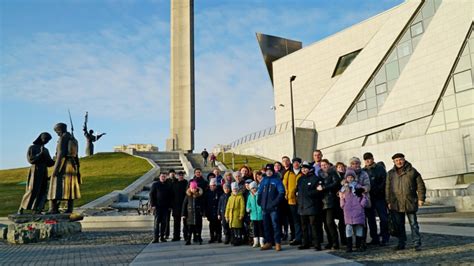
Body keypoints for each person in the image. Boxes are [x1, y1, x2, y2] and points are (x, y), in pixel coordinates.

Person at [386, 153, 426, 251]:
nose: (399, 162)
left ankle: (417, 243)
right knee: (399, 225)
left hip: (410, 201)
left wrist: (421, 198)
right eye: (396, 160)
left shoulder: (412, 171)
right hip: (396, 203)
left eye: (400, 160)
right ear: (394, 162)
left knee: (413, 224)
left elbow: (420, 186)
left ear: (404, 160)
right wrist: (388, 201)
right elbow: (387, 188)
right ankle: (401, 243)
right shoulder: (390, 173)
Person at [18, 132, 55, 214]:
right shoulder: (32, 148)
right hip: (35, 170)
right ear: (41, 138)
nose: (46, 142)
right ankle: (21, 208)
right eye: (45, 139)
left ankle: (37, 209)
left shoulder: (46, 150)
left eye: (48, 141)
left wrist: (56, 158)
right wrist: (40, 154)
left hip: (44, 171)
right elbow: (31, 160)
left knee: (43, 190)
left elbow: (49, 163)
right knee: (32, 190)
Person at [48, 123, 81, 214]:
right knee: (70, 186)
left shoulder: (63, 138)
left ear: (59, 130)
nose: (57, 134)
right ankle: (69, 208)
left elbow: (60, 154)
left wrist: (55, 171)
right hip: (72, 165)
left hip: (64, 164)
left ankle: (53, 209)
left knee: (54, 184)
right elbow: (76, 155)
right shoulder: (73, 139)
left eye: (57, 131)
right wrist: (78, 168)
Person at [363, 152, 389, 246]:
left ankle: (385, 237)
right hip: (369, 198)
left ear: (373, 159)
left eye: (369, 159)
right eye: (366, 159)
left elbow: (385, 181)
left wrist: (378, 189)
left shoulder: (379, 168)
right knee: (371, 220)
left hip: (379, 197)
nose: (368, 161)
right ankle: (375, 238)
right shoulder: (363, 171)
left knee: (384, 218)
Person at [296, 161, 323, 251]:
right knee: (304, 226)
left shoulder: (315, 178)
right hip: (302, 206)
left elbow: (319, 191)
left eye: (305, 168)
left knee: (314, 226)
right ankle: (306, 243)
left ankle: (317, 244)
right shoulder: (300, 179)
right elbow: (298, 190)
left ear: (310, 169)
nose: (303, 170)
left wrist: (309, 193)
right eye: (302, 168)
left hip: (312, 206)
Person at [340, 168, 369, 252]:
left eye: (351, 177)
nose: (350, 179)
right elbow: (341, 197)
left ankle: (358, 244)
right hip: (348, 210)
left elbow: (364, 196)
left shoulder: (358, 186)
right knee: (348, 227)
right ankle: (349, 246)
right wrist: (342, 204)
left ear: (354, 177)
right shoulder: (344, 188)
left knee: (359, 227)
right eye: (348, 177)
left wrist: (362, 204)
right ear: (346, 178)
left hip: (358, 210)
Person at [258, 164, 285, 252]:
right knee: (266, 225)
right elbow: (260, 192)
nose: (268, 172)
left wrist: (275, 203)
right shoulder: (263, 181)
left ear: (273, 171)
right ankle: (268, 242)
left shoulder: (277, 180)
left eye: (270, 171)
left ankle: (277, 243)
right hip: (264, 207)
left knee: (275, 225)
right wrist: (259, 201)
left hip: (273, 208)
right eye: (267, 171)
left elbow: (281, 193)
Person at [318, 159, 340, 250]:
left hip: (330, 200)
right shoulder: (319, 175)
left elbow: (335, 184)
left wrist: (324, 187)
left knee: (330, 222)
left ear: (328, 165)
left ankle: (335, 242)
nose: (324, 166)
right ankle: (330, 242)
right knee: (325, 224)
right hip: (321, 201)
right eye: (322, 165)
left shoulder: (333, 173)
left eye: (325, 164)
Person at [283, 157, 303, 246]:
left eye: (297, 163)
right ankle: (297, 237)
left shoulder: (302, 173)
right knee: (295, 220)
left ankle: (305, 237)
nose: (296, 164)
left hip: (302, 200)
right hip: (291, 200)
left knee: (302, 219)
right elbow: (284, 184)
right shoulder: (288, 173)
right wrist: (287, 194)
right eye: (294, 162)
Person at [149, 173, 172, 243]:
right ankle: (155, 238)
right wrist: (153, 205)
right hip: (157, 207)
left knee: (164, 222)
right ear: (159, 177)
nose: (163, 178)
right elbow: (151, 195)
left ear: (166, 177)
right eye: (162, 176)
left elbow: (170, 196)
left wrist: (170, 206)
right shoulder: (155, 184)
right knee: (156, 222)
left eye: (164, 177)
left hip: (165, 207)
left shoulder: (168, 185)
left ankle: (162, 237)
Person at [182, 181, 205, 245]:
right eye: (192, 188)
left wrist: (203, 213)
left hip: (198, 214)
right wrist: (183, 214)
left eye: (194, 188)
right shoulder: (188, 196)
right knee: (189, 228)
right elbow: (184, 204)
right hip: (190, 215)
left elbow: (202, 204)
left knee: (198, 227)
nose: (193, 190)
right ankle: (188, 239)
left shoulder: (199, 195)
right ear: (190, 188)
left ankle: (199, 238)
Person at [226, 182, 245, 246]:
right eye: (234, 189)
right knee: (233, 229)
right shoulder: (230, 197)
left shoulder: (240, 197)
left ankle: (238, 240)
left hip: (237, 215)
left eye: (236, 189)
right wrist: (227, 215)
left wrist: (241, 214)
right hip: (231, 216)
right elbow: (228, 207)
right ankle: (233, 240)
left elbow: (242, 206)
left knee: (238, 229)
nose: (235, 190)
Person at [171, 171, 188, 241]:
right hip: (176, 205)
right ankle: (176, 236)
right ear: (177, 176)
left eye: (182, 175)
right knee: (176, 222)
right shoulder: (174, 183)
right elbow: (171, 194)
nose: (181, 176)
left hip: (184, 205)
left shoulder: (186, 183)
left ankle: (186, 235)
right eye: (179, 175)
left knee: (185, 221)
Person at [246, 181, 264, 248]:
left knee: (261, 229)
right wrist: (248, 208)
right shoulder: (250, 196)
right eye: (252, 188)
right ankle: (255, 241)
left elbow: (262, 203)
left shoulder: (259, 195)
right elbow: (248, 204)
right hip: (253, 216)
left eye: (255, 188)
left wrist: (261, 208)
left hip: (260, 215)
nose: (254, 189)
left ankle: (261, 241)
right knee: (255, 229)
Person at [206, 178, 223, 243]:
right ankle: (212, 237)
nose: (213, 187)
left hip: (217, 211)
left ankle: (219, 237)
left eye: (214, 185)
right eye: (212, 185)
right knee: (211, 226)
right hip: (210, 211)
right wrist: (206, 212)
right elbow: (206, 203)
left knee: (218, 225)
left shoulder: (219, 192)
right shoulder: (207, 193)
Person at [334, 162, 347, 246]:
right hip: (337, 201)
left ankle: (345, 239)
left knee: (344, 221)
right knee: (341, 221)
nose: (341, 168)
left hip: (347, 202)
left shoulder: (347, 176)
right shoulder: (335, 177)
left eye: (342, 167)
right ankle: (342, 239)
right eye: (339, 167)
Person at [280, 156, 292, 241]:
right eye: (283, 161)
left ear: (289, 161)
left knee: (292, 217)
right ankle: (285, 233)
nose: (285, 162)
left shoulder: (292, 170)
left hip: (291, 196)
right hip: (283, 197)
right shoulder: (281, 172)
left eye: (286, 161)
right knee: (284, 217)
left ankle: (293, 234)